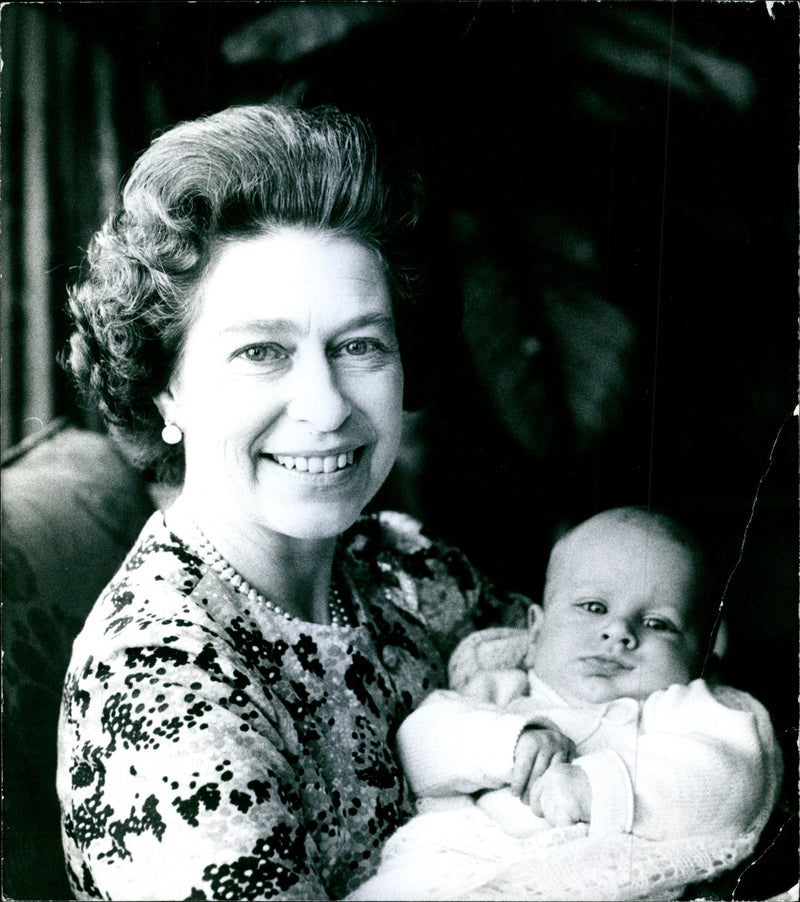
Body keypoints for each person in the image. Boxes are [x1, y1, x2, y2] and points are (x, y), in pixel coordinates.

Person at [55, 103, 529, 901]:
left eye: (358, 345)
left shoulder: (401, 563)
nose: (326, 404)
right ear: (165, 386)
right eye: (262, 352)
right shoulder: (160, 689)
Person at [349, 507, 782, 901]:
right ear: (535, 631)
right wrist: (509, 745)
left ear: (702, 655)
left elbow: (728, 780)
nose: (619, 631)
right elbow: (421, 742)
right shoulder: (501, 692)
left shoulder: (687, 710)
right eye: (593, 607)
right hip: (457, 876)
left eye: (657, 623)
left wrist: (598, 789)